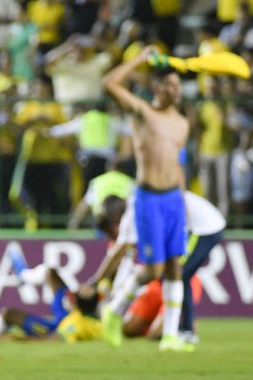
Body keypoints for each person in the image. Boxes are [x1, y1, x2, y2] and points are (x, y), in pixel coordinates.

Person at [102, 46, 191, 352]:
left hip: (173, 201)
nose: (174, 91)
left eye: (177, 86)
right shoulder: (142, 112)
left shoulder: (182, 123)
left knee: (174, 266)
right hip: (149, 199)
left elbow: (178, 164)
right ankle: (113, 312)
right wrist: (138, 59)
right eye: (168, 85)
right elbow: (109, 84)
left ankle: (170, 337)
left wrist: (183, 201)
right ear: (156, 87)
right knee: (152, 270)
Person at [86, 192, 226, 347]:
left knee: (180, 274)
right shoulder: (137, 205)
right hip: (191, 227)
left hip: (205, 227)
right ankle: (181, 330)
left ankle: (185, 330)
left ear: (117, 220)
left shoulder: (135, 210)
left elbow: (119, 252)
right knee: (174, 273)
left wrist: (95, 281)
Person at [0, 249, 102, 344]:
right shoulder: (99, 303)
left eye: (78, 293)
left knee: (9, 313)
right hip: (67, 313)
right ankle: (23, 275)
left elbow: (52, 339)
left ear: (75, 302)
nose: (81, 287)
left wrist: (14, 338)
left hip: (54, 327)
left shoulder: (75, 324)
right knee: (50, 272)